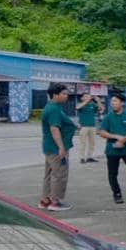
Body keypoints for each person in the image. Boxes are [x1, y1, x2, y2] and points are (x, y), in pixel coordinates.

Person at [39, 83, 76, 211]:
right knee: (59, 174)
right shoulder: (54, 109)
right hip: (56, 148)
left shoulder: (53, 107)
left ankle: (45, 200)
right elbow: (54, 128)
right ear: (55, 95)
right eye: (64, 94)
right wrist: (61, 147)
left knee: (49, 174)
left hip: (50, 147)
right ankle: (55, 202)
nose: (66, 96)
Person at [76, 93, 100, 163]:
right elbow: (77, 108)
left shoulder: (92, 104)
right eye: (86, 96)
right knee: (83, 143)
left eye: (89, 96)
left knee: (92, 142)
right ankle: (82, 158)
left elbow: (101, 109)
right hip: (84, 126)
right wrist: (87, 101)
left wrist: (98, 101)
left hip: (92, 126)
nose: (88, 97)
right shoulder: (80, 104)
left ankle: (90, 157)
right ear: (82, 98)